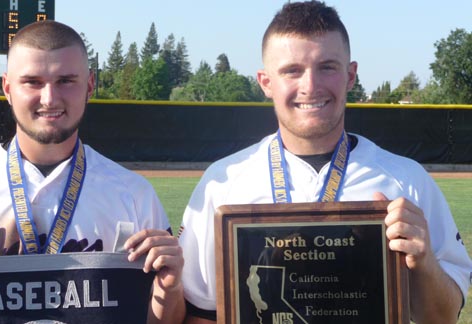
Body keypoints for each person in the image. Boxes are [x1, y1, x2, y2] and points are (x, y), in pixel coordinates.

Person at [178, 1, 472, 323]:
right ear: (265, 82)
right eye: (292, 70)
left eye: (327, 67)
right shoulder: (222, 183)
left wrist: (424, 261)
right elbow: (200, 314)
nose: (310, 86)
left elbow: (444, 316)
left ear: (350, 75)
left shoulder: (406, 181)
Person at [0, 20, 185, 324]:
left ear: (89, 85)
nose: (49, 98)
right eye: (32, 81)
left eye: (65, 80)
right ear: (7, 88)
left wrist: (171, 288)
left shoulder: (133, 194)